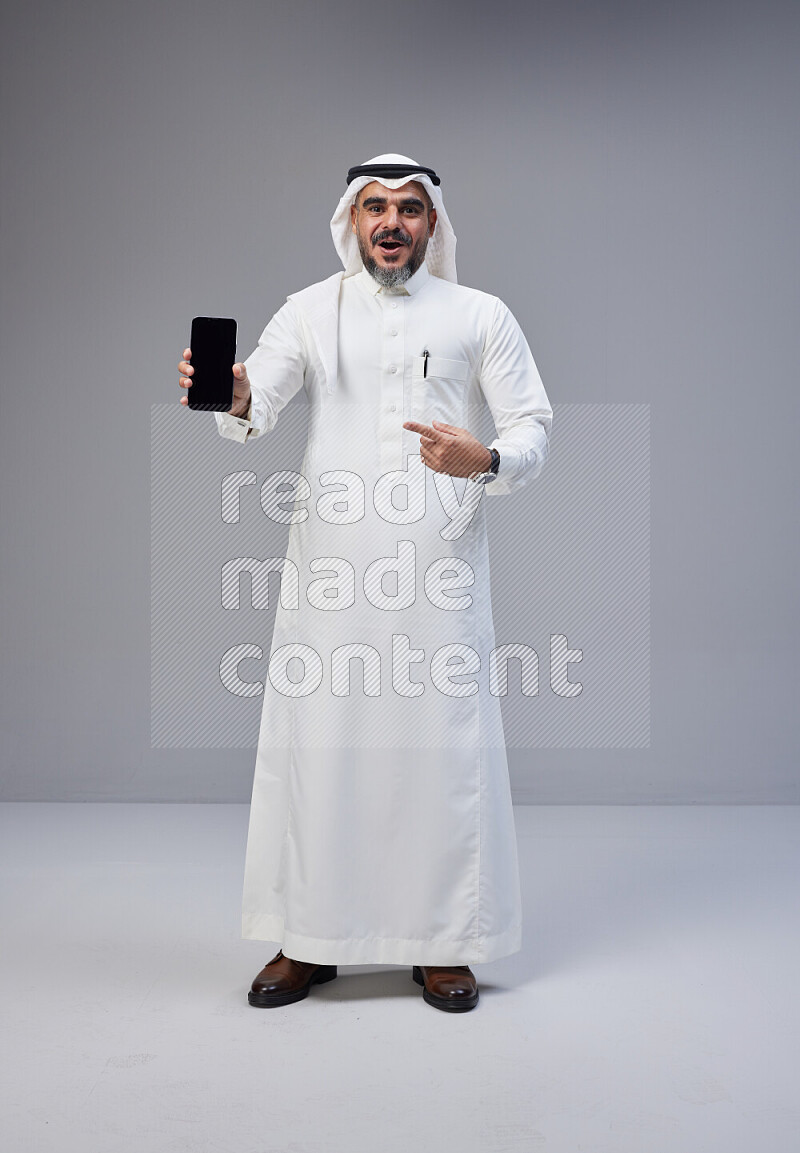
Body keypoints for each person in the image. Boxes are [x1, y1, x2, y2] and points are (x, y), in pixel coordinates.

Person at [177, 153, 553, 1012]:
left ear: (433, 224)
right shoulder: (310, 311)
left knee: (438, 754)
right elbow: (256, 404)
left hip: (438, 573)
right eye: (375, 207)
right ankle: (309, 939)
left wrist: (484, 458)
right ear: (351, 220)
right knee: (324, 749)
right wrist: (229, 393)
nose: (392, 222)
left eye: (410, 208)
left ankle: (442, 942)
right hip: (334, 578)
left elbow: (533, 425)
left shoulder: (479, 314)